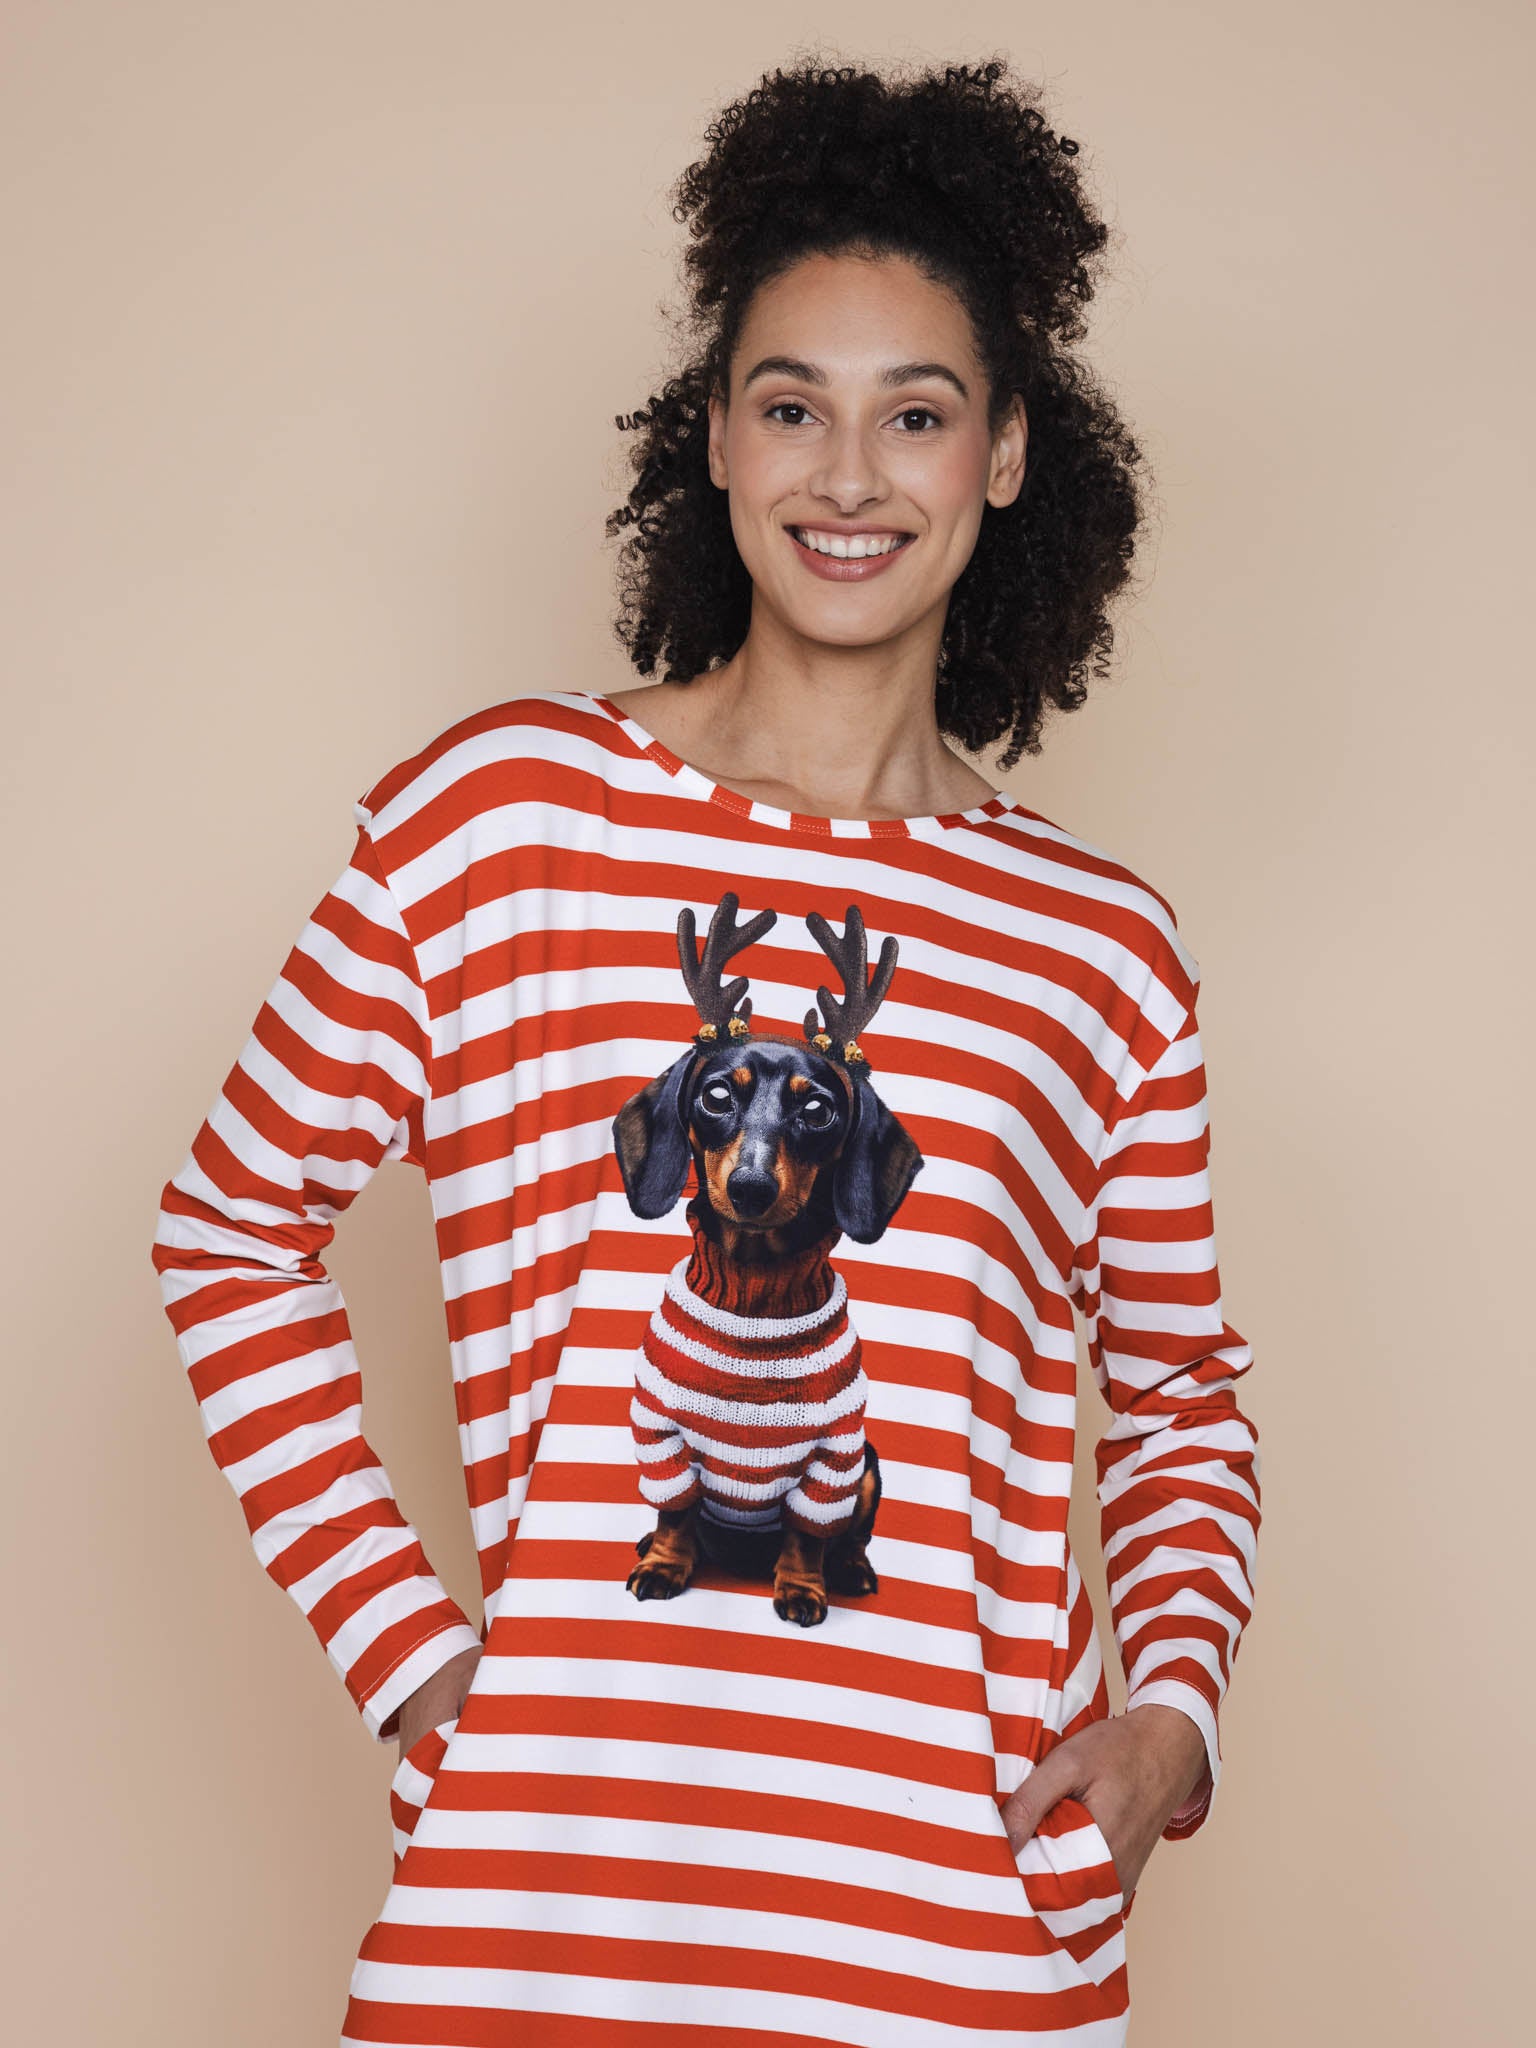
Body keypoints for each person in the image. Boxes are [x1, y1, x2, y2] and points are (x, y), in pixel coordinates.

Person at [151, 53, 1260, 2046]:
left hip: (954, 1943)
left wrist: (1169, 1719)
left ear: (1005, 455)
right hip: (534, 1918)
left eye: (916, 413)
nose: (850, 477)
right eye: (792, 405)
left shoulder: (1100, 947)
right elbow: (228, 1231)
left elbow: (1181, 1392)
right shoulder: (495, 825)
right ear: (722, 442)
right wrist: (413, 1658)